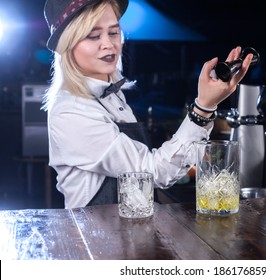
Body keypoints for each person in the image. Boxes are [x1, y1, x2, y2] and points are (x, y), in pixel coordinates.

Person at [43, 0, 253, 209]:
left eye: (114, 32)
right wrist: (204, 107)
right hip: (97, 237)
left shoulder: (110, 95)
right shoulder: (71, 111)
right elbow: (151, 173)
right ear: (68, 46)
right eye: (93, 35)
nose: (108, 44)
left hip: (130, 230)